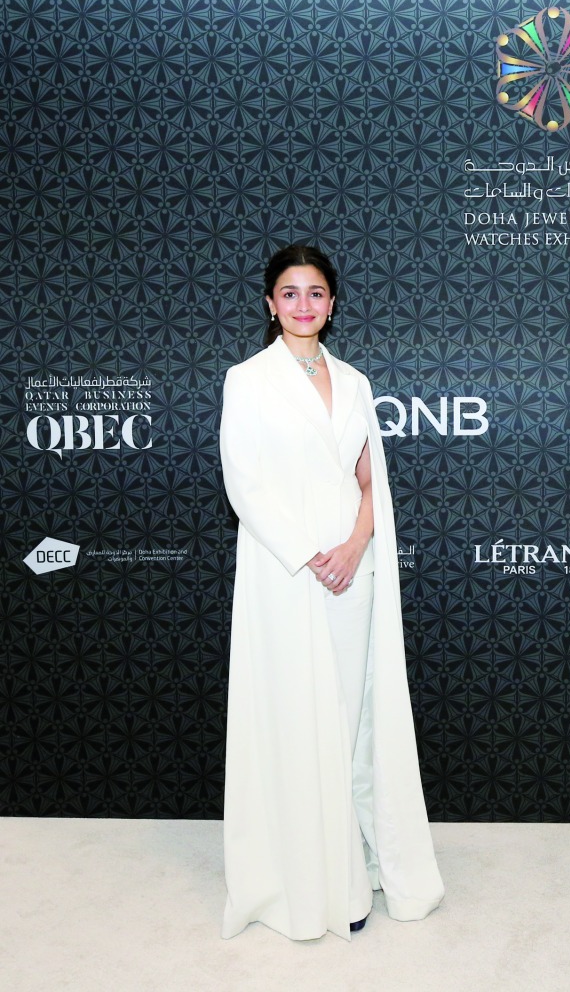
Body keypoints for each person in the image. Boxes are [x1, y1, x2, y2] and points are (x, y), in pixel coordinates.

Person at [219, 244, 443, 940]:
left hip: (353, 568)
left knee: (348, 720)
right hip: (284, 572)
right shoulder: (247, 379)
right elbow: (242, 482)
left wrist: (351, 548)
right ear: (269, 303)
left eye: (315, 293)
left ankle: (354, 868)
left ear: (333, 303)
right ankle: (305, 880)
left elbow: (369, 479)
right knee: (294, 716)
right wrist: (308, 553)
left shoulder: (354, 381)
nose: (303, 305)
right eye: (290, 293)